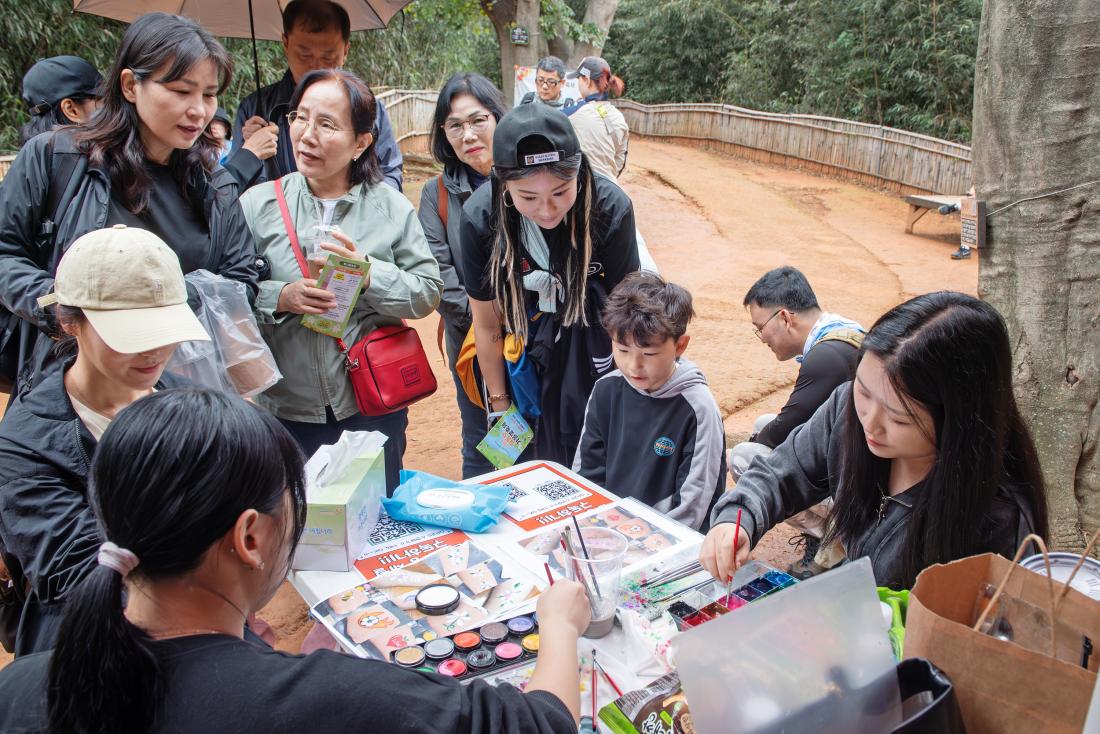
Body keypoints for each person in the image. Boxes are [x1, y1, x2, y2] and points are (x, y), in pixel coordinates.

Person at [0, 388, 593, 733]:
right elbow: (546, 723)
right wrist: (559, 625)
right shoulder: (334, 700)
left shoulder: (24, 685)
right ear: (251, 537)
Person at [699, 291, 1049, 591]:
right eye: (863, 393)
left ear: (960, 421)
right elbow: (780, 472)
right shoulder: (846, 408)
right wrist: (737, 517)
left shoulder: (998, 523)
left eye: (899, 418)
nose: (871, 423)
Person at [0, 13, 259, 396]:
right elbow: (6, 252)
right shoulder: (56, 157)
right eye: (181, 90)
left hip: (179, 391)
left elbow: (241, 278)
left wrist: (167, 302)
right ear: (130, 85)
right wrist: (61, 307)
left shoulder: (214, 183)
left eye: (208, 94)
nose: (199, 110)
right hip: (69, 383)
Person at [0, 225, 207, 656]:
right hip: (91, 648)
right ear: (70, 321)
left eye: (164, 328)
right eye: (131, 335)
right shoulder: (24, 446)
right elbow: (75, 571)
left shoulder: (174, 399)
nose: (154, 351)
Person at [240, 69, 441, 489]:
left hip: (370, 403)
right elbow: (230, 291)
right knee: (299, 528)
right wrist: (281, 297)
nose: (306, 135)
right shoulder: (258, 206)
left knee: (377, 517)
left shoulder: (389, 206)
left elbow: (426, 292)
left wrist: (368, 274)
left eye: (327, 124)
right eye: (299, 117)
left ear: (361, 142)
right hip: (286, 410)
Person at [460, 102, 640, 466]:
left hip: (592, 350)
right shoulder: (481, 219)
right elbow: (487, 322)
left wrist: (627, 394)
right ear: (503, 184)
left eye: (561, 191)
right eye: (528, 197)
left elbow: (629, 311)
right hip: (520, 350)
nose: (547, 210)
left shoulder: (608, 208)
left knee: (595, 456)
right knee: (522, 465)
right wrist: (499, 404)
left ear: (579, 172)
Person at [730, 266, 864, 578]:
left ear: (785, 318)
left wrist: (751, 451)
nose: (760, 336)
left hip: (857, 487)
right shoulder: (842, 334)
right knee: (762, 425)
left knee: (742, 459)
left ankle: (830, 540)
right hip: (850, 459)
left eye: (759, 326)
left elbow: (784, 430)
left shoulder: (826, 357)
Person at [573, 272, 725, 530]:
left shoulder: (698, 408)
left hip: (666, 539)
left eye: (649, 353)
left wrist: (641, 540)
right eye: (622, 350)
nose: (634, 366)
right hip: (604, 532)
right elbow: (586, 476)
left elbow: (691, 505)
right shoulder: (606, 390)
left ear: (680, 346)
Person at [419, 73, 507, 479]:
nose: (468, 134)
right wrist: (486, 322)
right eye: (455, 125)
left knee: (540, 431)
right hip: (470, 340)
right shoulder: (435, 194)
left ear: (497, 118)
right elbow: (437, 273)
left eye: (478, 120)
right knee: (481, 434)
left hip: (535, 337)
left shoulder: (523, 180)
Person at [231, 0, 404, 191]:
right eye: (304, 55)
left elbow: (390, 175)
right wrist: (249, 154)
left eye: (328, 58)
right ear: (286, 44)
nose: (316, 67)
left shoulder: (369, 109)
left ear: (345, 51)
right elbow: (232, 194)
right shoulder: (254, 109)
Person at [565, 57, 628, 183]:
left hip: (585, 189)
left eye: (579, 79)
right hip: (611, 190)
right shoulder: (619, 117)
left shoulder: (574, 112)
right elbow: (621, 159)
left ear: (587, 80)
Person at [19, 55, 102, 146]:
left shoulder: (33, 154)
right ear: (71, 110)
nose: (110, 104)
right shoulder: (84, 157)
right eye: (101, 98)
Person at [208, 106, 278, 191]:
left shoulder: (235, 147)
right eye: (210, 122)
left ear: (226, 128)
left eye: (218, 122)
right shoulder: (202, 154)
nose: (213, 126)